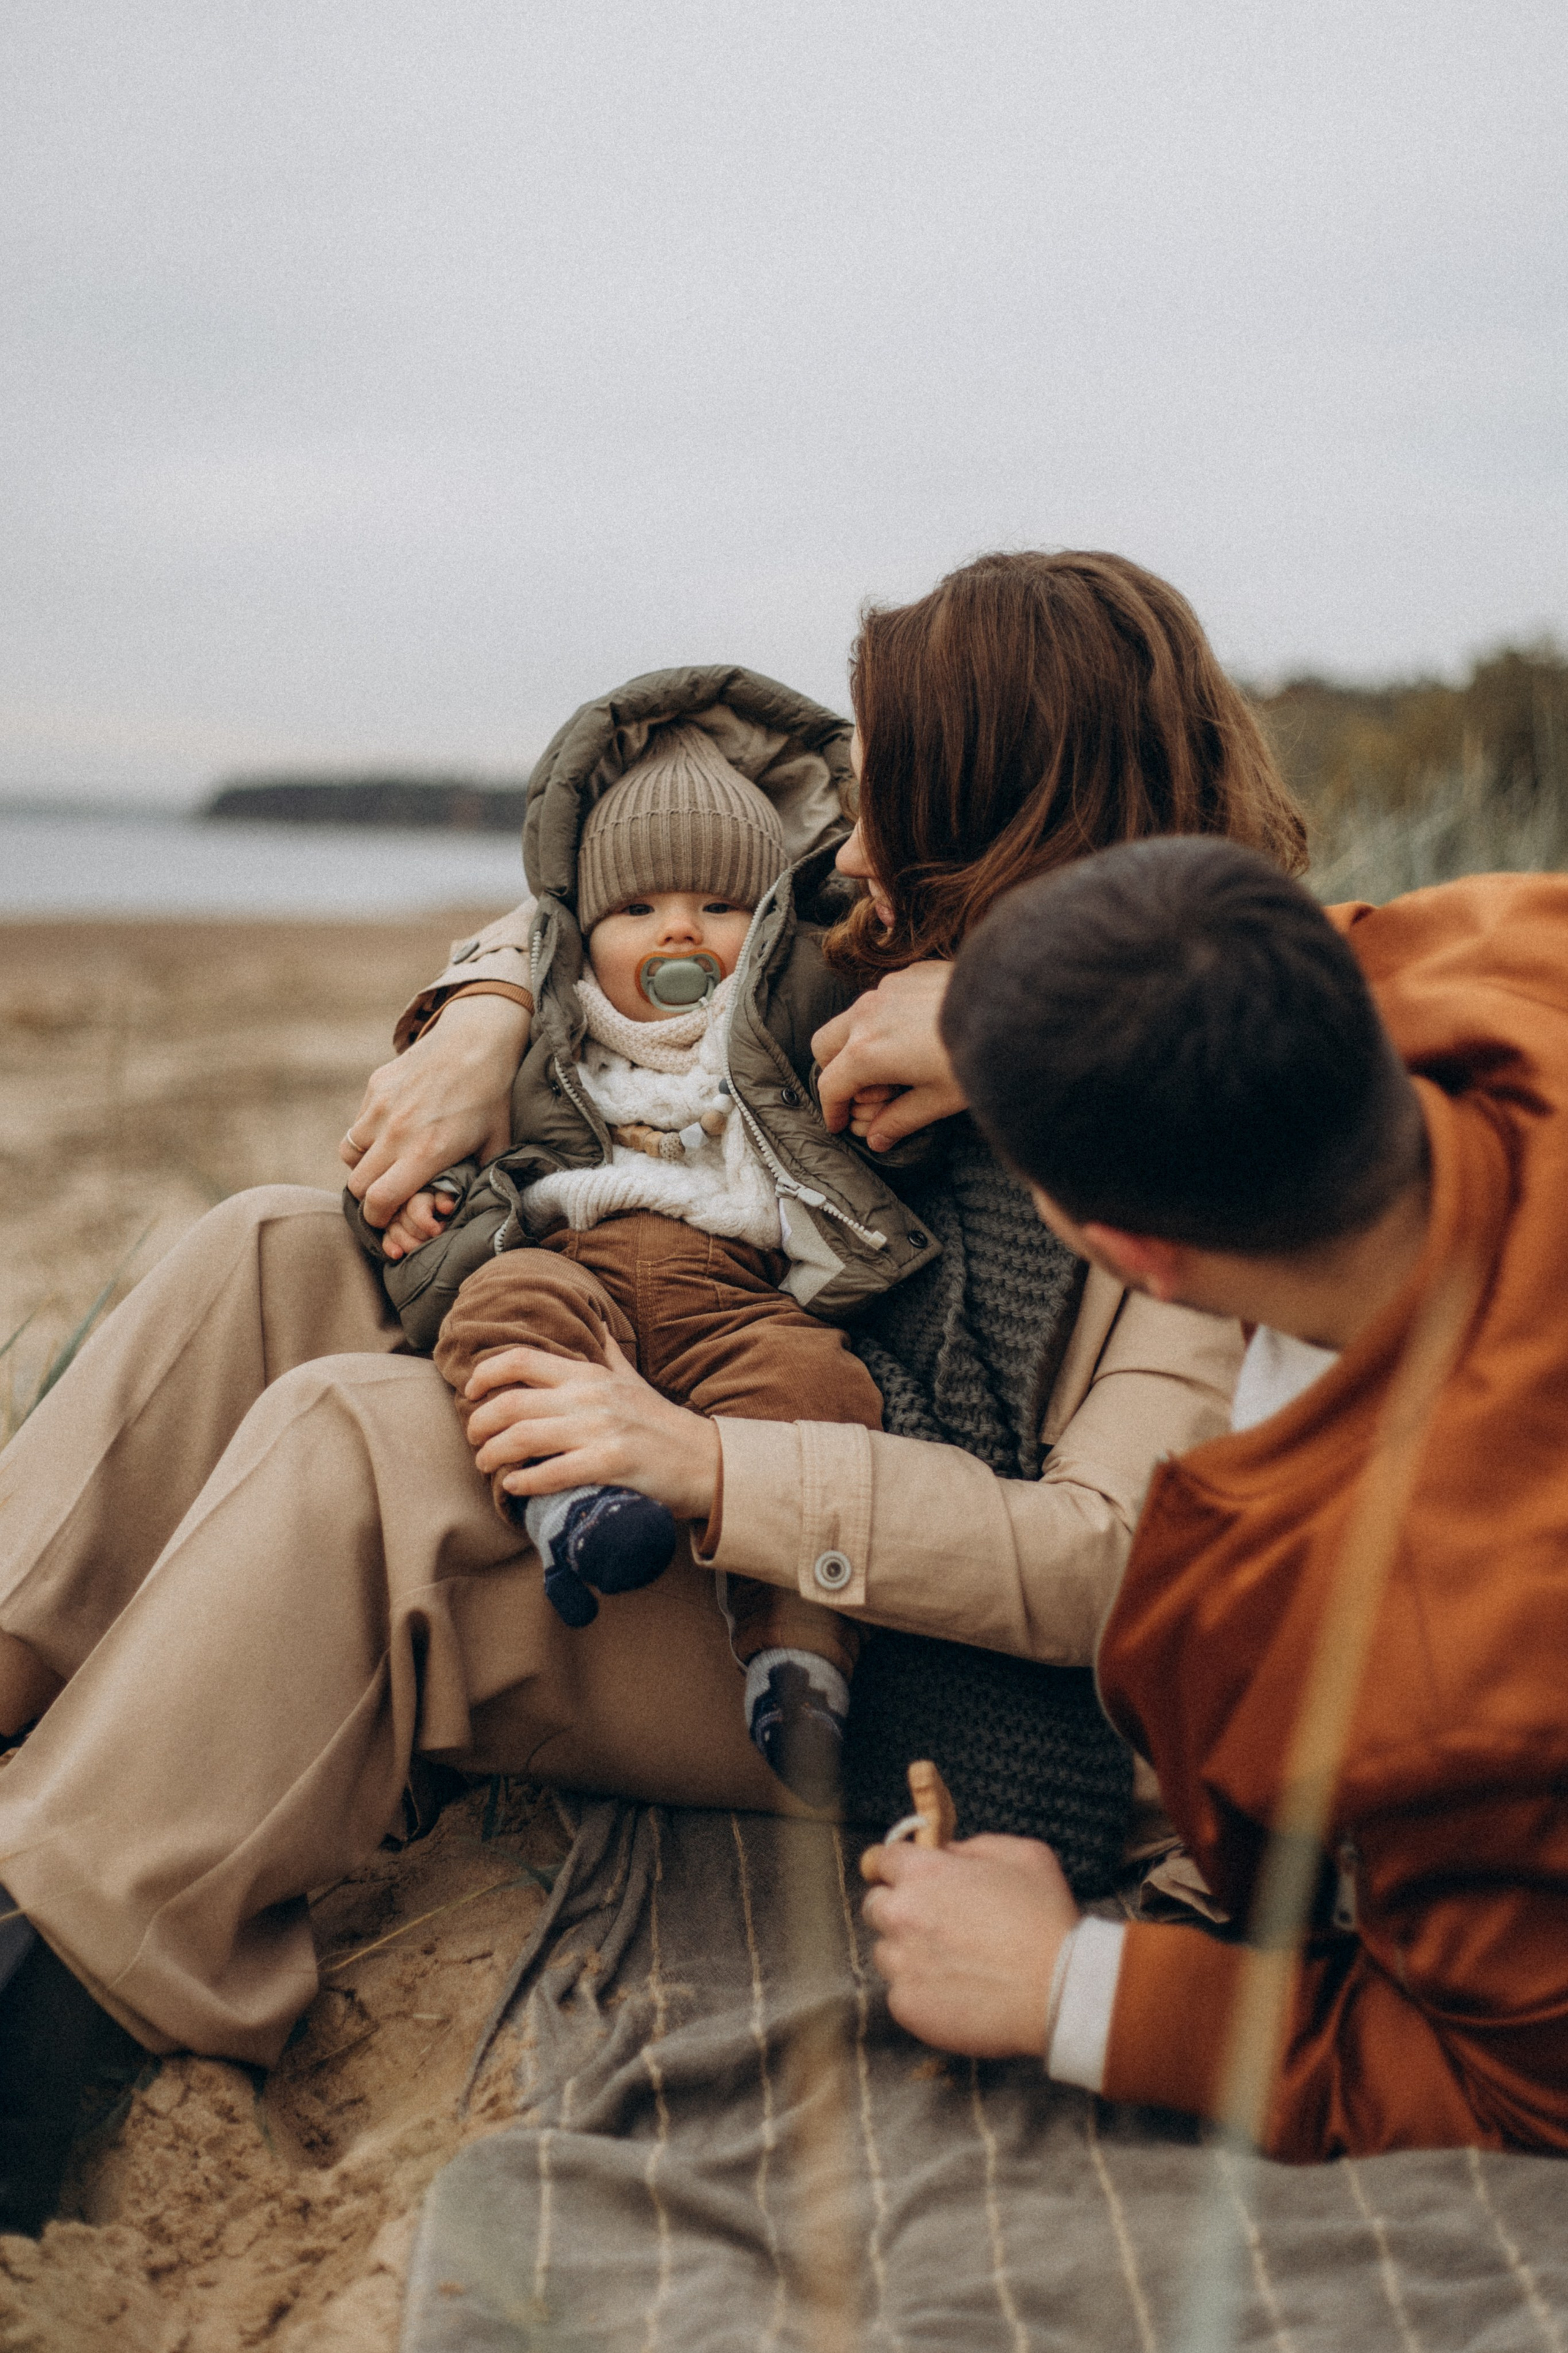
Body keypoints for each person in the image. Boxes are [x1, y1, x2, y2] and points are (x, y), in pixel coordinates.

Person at [0, 557, 1286, 2233]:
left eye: (896, 772)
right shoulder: (890, 934)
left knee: (366, 1439)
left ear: (993, 802)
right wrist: (488, 1004)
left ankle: (63, 1987)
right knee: (270, 1250)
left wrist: (707, 1465)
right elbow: (634, 868)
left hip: (899, 1657)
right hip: (742, 1379)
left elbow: (1107, 1563)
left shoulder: (1213, 1110)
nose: (854, 818)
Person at [862, 836, 1568, 2162]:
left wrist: (1074, 1987)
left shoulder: (1428, 1678)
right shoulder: (1510, 945)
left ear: (1132, 1254)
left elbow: (1521, 2087)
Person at [364, 718, 904, 1805]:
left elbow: (856, 985)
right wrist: (436, 1196)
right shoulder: (551, 1026)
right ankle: (573, 1508)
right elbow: (477, 1148)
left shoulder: (782, 1015)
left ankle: (794, 1658)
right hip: (582, 1268)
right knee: (501, 1307)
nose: (679, 935)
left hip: (737, 1292)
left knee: (822, 1390)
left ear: (761, 925)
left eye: (717, 907)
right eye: (639, 909)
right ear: (584, 924)